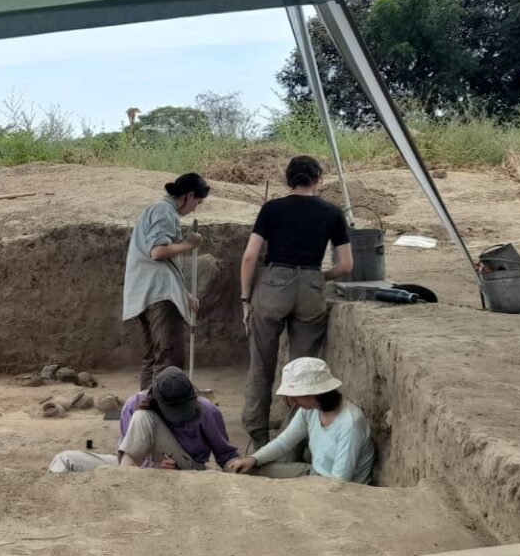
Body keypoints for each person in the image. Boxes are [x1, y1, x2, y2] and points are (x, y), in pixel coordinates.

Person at [239, 155, 352, 448]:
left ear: (288, 179)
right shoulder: (332, 212)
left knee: (261, 366)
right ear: (318, 179)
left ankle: (258, 436)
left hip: (273, 284)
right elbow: (346, 266)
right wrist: (315, 278)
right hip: (311, 287)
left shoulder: (272, 209)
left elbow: (250, 256)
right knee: (304, 372)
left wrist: (245, 298)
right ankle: (292, 443)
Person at [49, 366, 239, 473]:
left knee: (143, 416)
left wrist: (242, 465)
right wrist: (153, 466)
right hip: (137, 469)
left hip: (185, 468)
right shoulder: (134, 404)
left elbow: (226, 456)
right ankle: (53, 506)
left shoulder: (207, 410)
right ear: (155, 399)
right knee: (65, 459)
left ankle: (122, 483)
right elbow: (126, 455)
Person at [226, 357, 374, 483]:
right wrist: (253, 459)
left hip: (339, 489)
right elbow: (284, 442)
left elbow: (340, 480)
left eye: (296, 395)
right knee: (244, 469)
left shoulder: (350, 424)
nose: (294, 400)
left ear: (316, 393)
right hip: (314, 475)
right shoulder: (309, 410)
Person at [123, 172, 207, 391]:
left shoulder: (159, 211)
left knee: (154, 356)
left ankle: (144, 409)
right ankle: (162, 411)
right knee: (169, 357)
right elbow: (158, 252)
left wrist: (184, 294)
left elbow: (167, 264)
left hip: (147, 292)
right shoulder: (164, 211)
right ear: (189, 195)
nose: (195, 208)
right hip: (158, 294)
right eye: (197, 202)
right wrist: (189, 244)